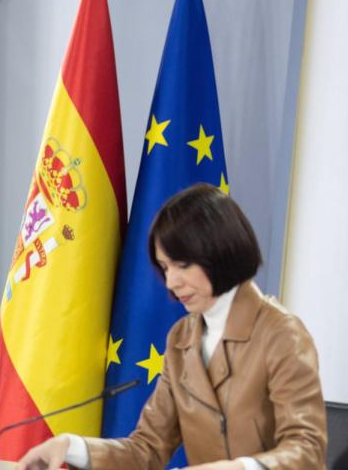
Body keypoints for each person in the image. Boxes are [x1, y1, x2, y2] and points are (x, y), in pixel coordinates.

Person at [17, 183, 327, 470]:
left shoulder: (281, 333)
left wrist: (241, 467)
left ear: (221, 250)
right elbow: (147, 449)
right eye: (165, 268)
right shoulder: (182, 336)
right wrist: (71, 446)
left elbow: (308, 449)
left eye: (183, 265)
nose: (171, 282)